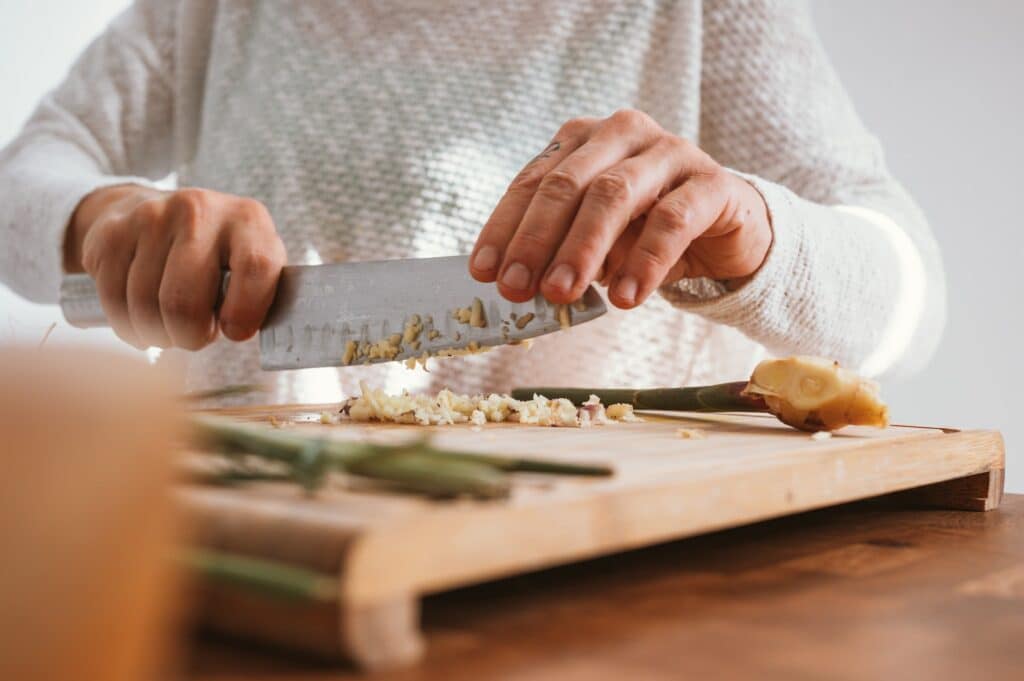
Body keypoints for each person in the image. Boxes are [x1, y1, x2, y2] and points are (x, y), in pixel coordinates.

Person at [0, 1, 945, 404]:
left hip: (603, 584)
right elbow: (24, 175)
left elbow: (913, 302)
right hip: (247, 556)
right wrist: (100, 219)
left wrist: (762, 237)